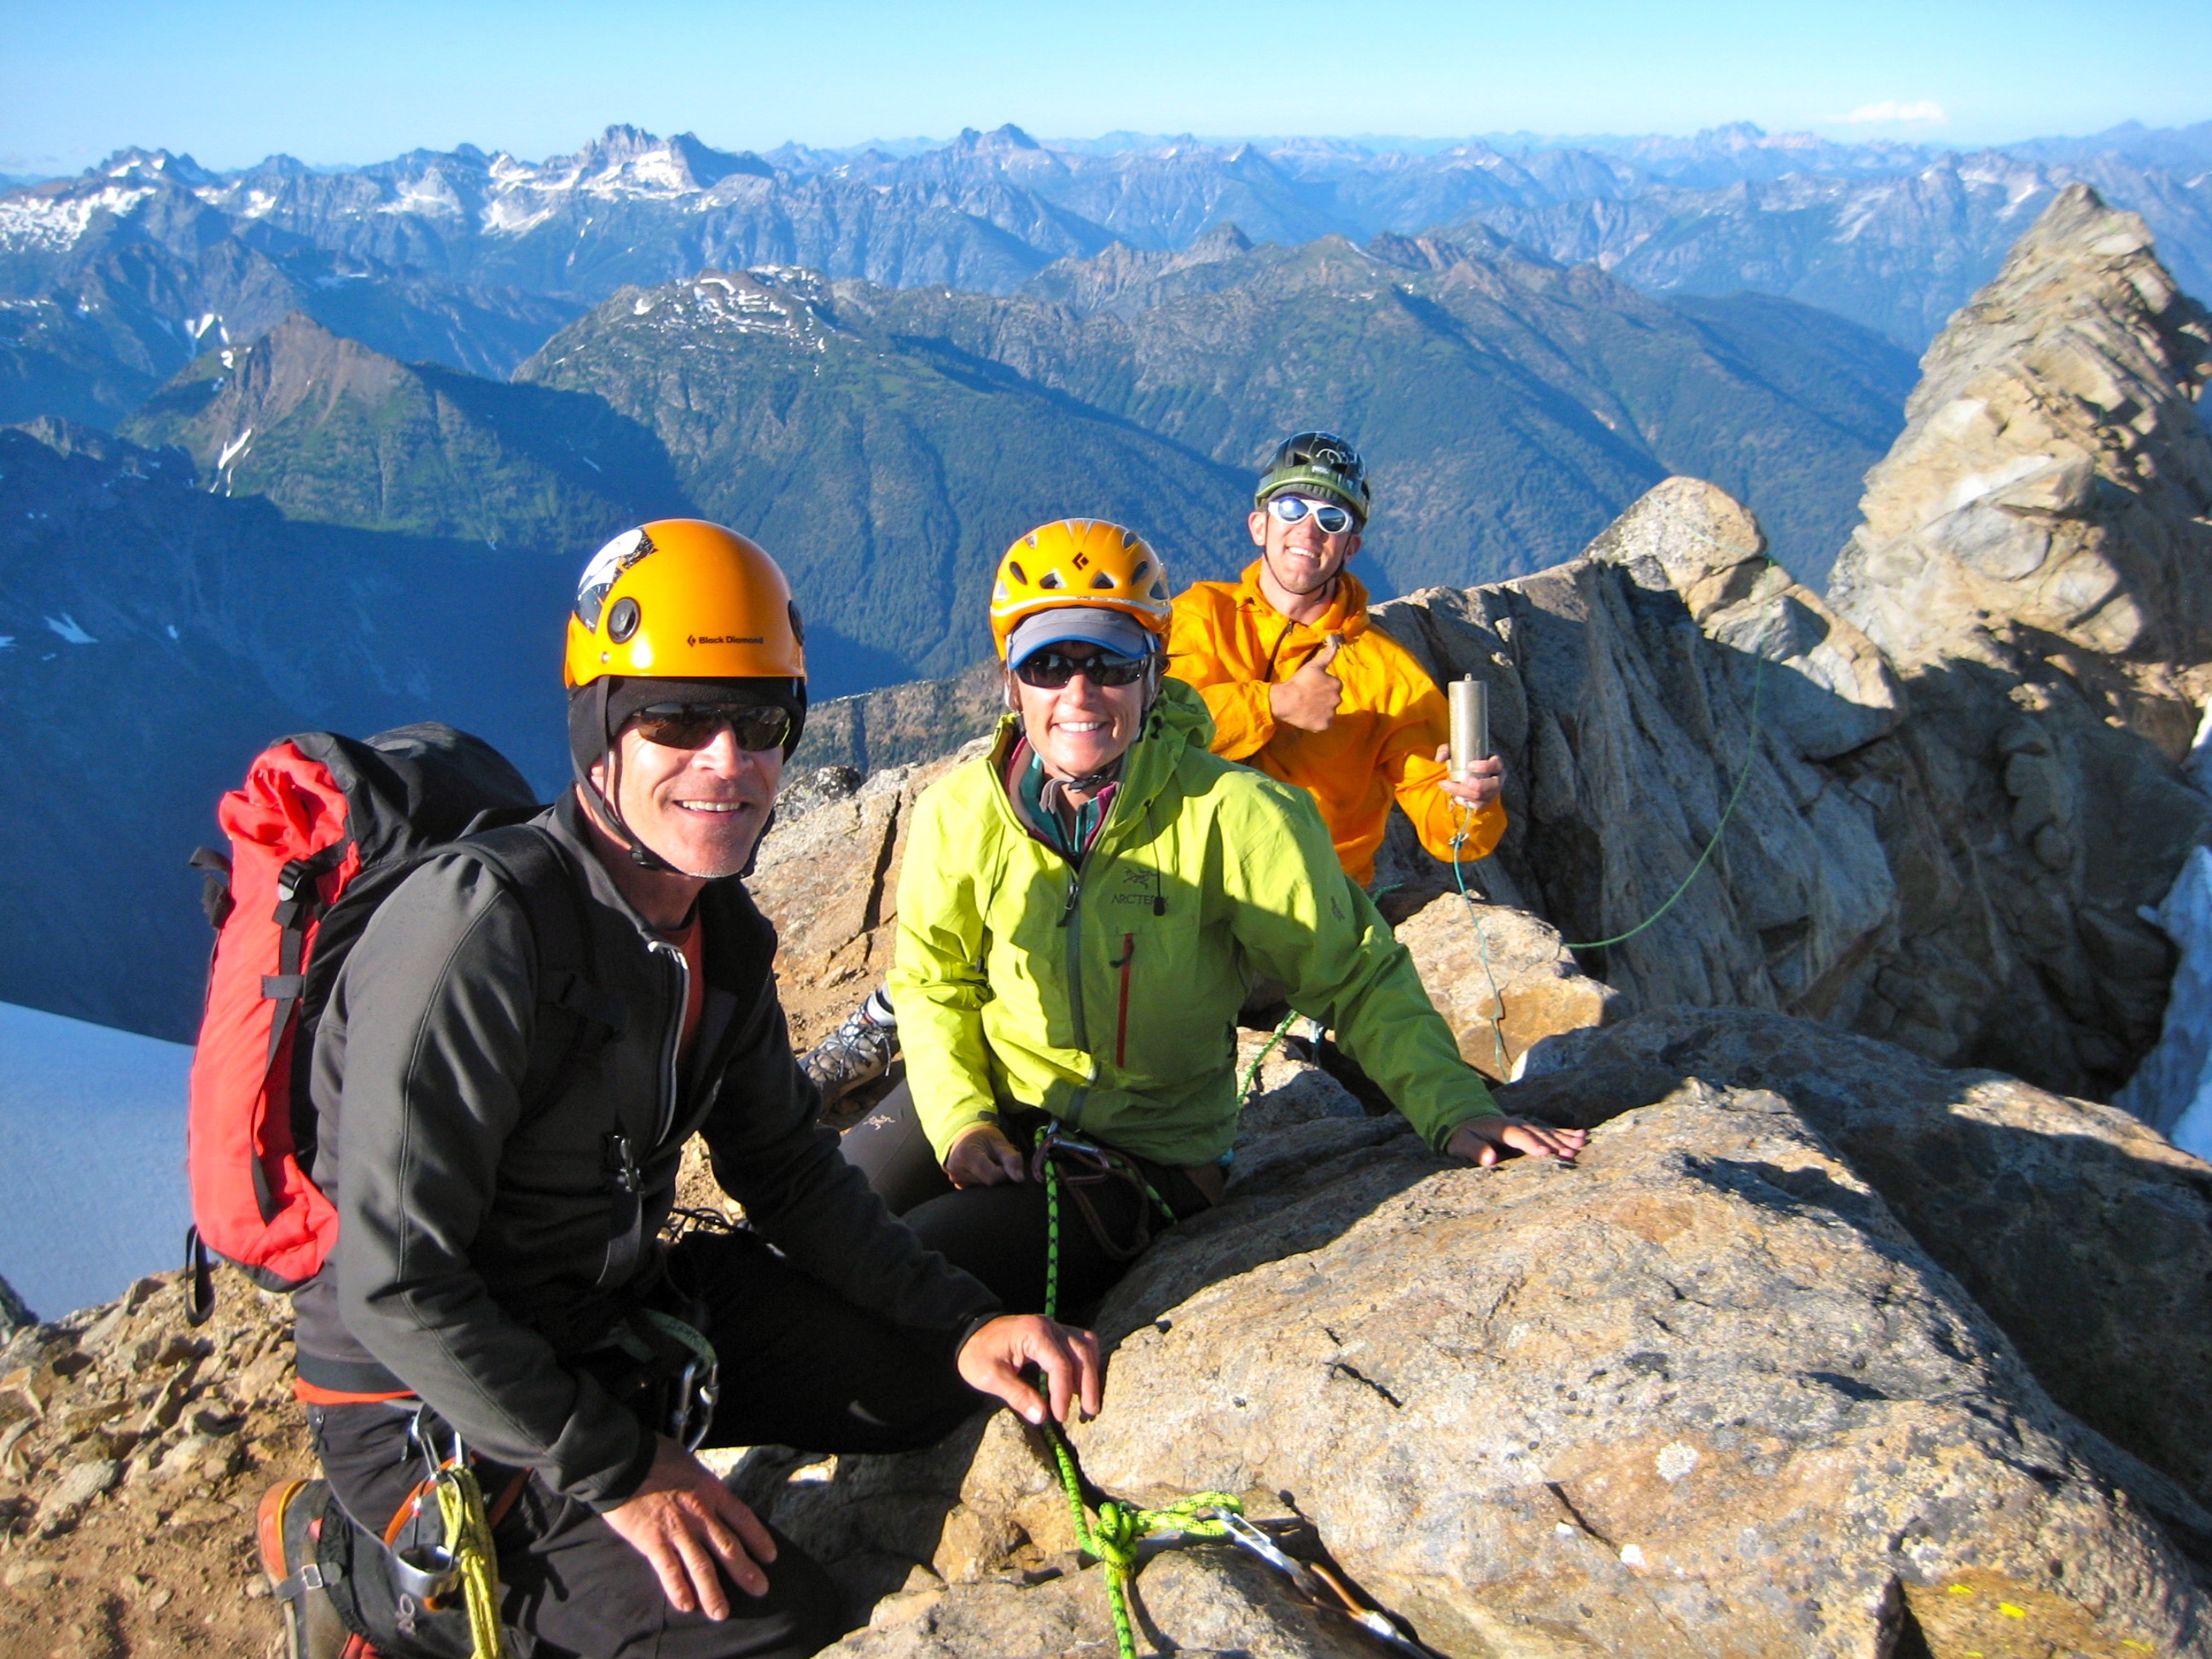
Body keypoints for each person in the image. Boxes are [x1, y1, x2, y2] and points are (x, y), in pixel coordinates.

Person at [264, 520, 1100, 1659]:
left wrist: (957, 1322)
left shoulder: (723, 938)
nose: (727, 760)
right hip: (427, 1406)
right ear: (599, 729)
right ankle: (355, 1572)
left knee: (932, 1387)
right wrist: (617, 1468)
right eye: (675, 718)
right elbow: (400, 1287)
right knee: (775, 1630)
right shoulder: (475, 934)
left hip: (610, 1314)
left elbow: (793, 1175)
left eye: (760, 722)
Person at [839, 518, 1584, 1316]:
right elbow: (933, 977)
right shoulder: (963, 811)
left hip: (1137, 1157)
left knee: (910, 1278)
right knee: (820, 1232)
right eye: (1049, 664)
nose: (1080, 694)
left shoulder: (1237, 815)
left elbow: (1355, 976)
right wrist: (963, 1123)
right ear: (1010, 681)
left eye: (1111, 663)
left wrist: (1456, 1108)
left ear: (1154, 673)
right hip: (990, 1092)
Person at [1167, 431, 1505, 890]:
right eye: (1291, 508)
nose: (1308, 530)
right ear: (1259, 525)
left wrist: (1472, 803)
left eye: (1331, 518)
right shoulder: (1199, 617)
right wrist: (1272, 704)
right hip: (1183, 877)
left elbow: (1453, 836)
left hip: (1309, 897)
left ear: (1350, 548)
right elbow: (1149, 735)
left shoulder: (1387, 674)